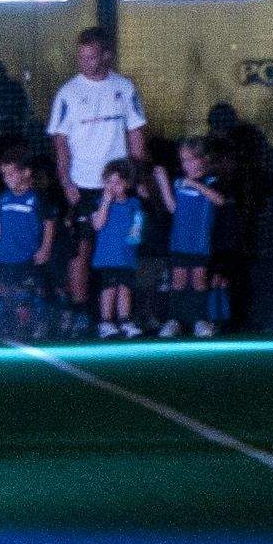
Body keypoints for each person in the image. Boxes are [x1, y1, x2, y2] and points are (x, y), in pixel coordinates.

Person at [48, 27, 145, 322]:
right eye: (81, 56)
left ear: (106, 55)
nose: (84, 62)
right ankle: (79, 311)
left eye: (91, 56)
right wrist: (66, 181)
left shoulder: (125, 89)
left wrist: (135, 180)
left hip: (119, 187)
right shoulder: (68, 93)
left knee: (121, 247)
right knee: (81, 247)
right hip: (84, 184)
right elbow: (60, 143)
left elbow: (137, 135)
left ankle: (120, 317)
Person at [154, 137, 226, 338]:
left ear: (203, 159)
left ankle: (200, 320)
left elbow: (219, 200)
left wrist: (197, 185)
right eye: (183, 160)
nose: (187, 164)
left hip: (200, 242)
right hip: (179, 240)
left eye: (191, 159)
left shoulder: (212, 182)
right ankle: (175, 319)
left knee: (199, 280)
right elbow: (172, 207)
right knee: (177, 281)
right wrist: (162, 182)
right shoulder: (179, 182)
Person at [0, 150, 53, 340]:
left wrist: (45, 248)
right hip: (3, 255)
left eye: (11, 173)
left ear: (26, 172)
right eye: (4, 174)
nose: (7, 178)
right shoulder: (2, 198)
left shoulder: (37, 197)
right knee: (0, 292)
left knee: (25, 294)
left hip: (27, 255)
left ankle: (31, 327)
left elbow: (49, 223)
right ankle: (3, 328)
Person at [87, 160, 145, 337]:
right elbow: (98, 224)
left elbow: (137, 227)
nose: (113, 187)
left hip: (126, 255)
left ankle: (125, 320)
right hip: (107, 256)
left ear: (126, 184)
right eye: (109, 182)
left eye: (118, 182)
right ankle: (106, 322)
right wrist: (105, 202)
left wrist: (134, 241)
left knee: (125, 287)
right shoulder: (98, 202)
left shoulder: (134, 203)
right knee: (109, 287)